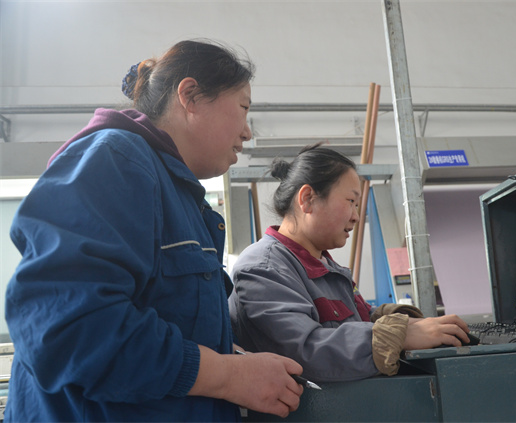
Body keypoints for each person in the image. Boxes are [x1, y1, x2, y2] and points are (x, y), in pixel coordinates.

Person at [4, 39, 303, 422]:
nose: (247, 131)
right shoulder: (116, 160)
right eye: (243, 108)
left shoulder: (183, 198)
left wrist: (232, 357)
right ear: (190, 96)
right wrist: (227, 375)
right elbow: (66, 328)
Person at [228, 144, 472, 382]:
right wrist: (398, 335)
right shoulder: (263, 268)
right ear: (307, 198)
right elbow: (304, 351)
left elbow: (359, 318)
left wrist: (405, 322)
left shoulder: (327, 268)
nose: (356, 216)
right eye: (350, 201)